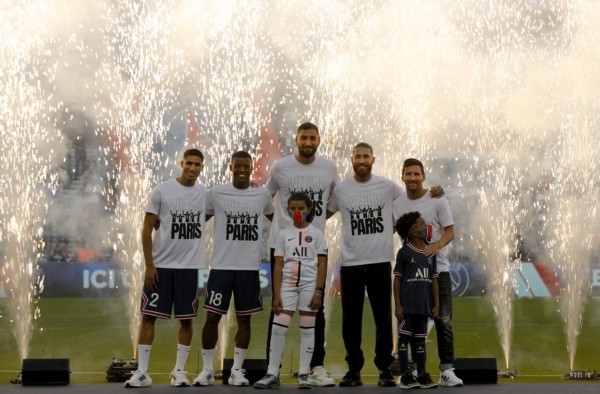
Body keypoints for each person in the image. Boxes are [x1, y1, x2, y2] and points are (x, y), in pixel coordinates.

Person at [125, 148, 208, 388]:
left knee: (186, 320)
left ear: (202, 167)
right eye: (189, 163)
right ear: (181, 163)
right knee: (148, 317)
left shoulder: (205, 194)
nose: (192, 168)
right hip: (160, 266)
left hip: (189, 268)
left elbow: (210, 214)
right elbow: (146, 228)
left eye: (197, 165)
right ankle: (142, 372)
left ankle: (179, 371)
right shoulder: (162, 190)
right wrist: (149, 265)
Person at [265, 122, 338, 386]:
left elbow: (335, 201)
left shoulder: (329, 167)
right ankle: (272, 370)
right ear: (296, 139)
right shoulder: (281, 167)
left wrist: (315, 224)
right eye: (304, 137)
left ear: (319, 140)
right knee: (279, 307)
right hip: (283, 246)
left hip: (314, 247)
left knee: (316, 309)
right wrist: (281, 223)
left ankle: (315, 367)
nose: (308, 142)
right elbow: (266, 198)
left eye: (312, 138)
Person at [193, 151, 274, 386]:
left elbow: (277, 219)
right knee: (212, 318)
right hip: (221, 267)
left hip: (249, 269)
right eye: (237, 165)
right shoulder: (216, 193)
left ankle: (237, 370)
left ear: (251, 168)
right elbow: (198, 220)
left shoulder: (262, 194)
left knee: (244, 320)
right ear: (230, 166)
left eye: (245, 165)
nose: (241, 169)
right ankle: (208, 369)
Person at [326, 142, 401, 387]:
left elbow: (412, 200)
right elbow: (320, 212)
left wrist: (433, 193)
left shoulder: (388, 186)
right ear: (351, 159)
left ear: (373, 159)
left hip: (380, 261)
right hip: (351, 263)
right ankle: (353, 370)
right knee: (351, 320)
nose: (361, 160)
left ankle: (385, 369)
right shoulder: (341, 190)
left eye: (365, 156)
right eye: (357, 156)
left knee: (383, 319)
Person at [393, 158, 463, 387]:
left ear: (423, 176)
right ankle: (411, 371)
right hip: (412, 275)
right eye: (408, 174)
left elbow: (450, 232)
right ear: (402, 176)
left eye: (416, 174)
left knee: (443, 320)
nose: (412, 178)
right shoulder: (397, 203)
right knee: (412, 322)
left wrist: (436, 246)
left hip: (438, 270)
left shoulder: (437, 198)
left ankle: (446, 370)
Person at [254, 192, 328, 389]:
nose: (297, 212)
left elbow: (322, 265)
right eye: (293, 208)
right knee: (278, 328)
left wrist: (318, 291)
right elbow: (277, 266)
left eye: (301, 208)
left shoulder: (317, 234)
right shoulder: (283, 234)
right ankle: (272, 373)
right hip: (287, 285)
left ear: (309, 210)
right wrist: (276, 294)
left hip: (309, 285)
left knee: (307, 329)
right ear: (288, 210)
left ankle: (304, 373)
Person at [393, 211, 439, 389]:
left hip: (424, 306)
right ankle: (406, 376)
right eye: (421, 224)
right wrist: (397, 304)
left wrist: (436, 304)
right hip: (407, 306)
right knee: (404, 339)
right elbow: (397, 279)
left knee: (420, 342)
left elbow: (433, 280)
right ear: (413, 231)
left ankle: (421, 374)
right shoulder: (404, 252)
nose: (426, 227)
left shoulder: (430, 252)